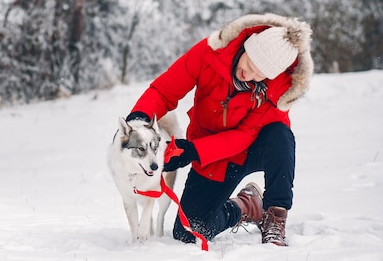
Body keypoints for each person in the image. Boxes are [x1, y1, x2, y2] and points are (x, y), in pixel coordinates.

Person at [125, 13, 313, 246]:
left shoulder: (277, 90)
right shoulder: (209, 53)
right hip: (215, 155)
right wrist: (139, 117)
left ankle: (274, 216)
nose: (249, 75)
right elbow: (164, 91)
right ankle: (246, 206)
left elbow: (244, 136)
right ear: (246, 46)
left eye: (260, 74)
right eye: (250, 64)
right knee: (190, 232)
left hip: (254, 146)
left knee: (281, 136)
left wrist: (194, 151)